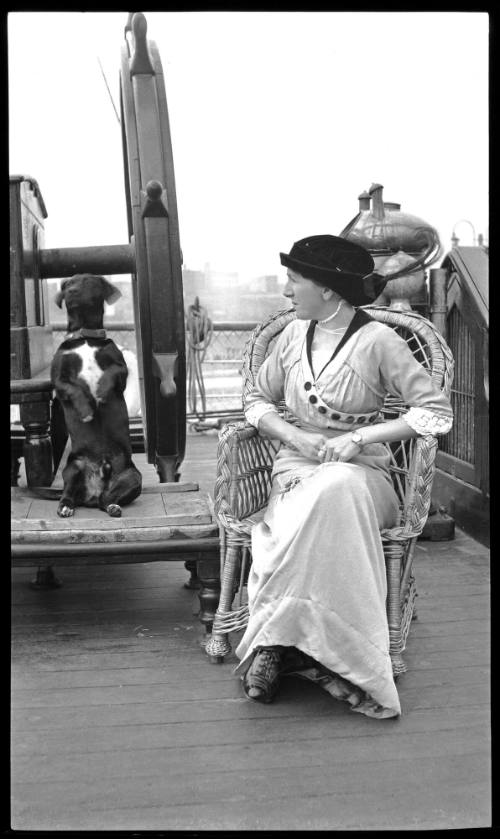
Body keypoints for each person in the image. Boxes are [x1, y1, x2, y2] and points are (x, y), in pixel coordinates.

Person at [235, 234, 453, 719]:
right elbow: (255, 401)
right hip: (296, 472)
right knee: (317, 497)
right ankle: (288, 643)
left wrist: (361, 438)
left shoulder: (379, 341)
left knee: (337, 486)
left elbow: (436, 414)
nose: (287, 292)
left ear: (329, 290)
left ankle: (287, 645)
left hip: (364, 478)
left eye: (295, 281)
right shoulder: (292, 336)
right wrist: (294, 439)